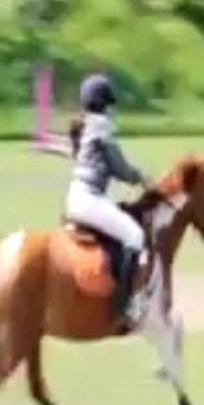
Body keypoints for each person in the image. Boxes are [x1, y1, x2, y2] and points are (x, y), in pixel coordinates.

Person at [65, 73, 151, 324]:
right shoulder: (101, 124)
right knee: (136, 237)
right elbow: (118, 168)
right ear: (105, 102)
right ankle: (125, 306)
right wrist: (142, 178)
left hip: (74, 198)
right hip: (90, 200)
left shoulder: (85, 124)